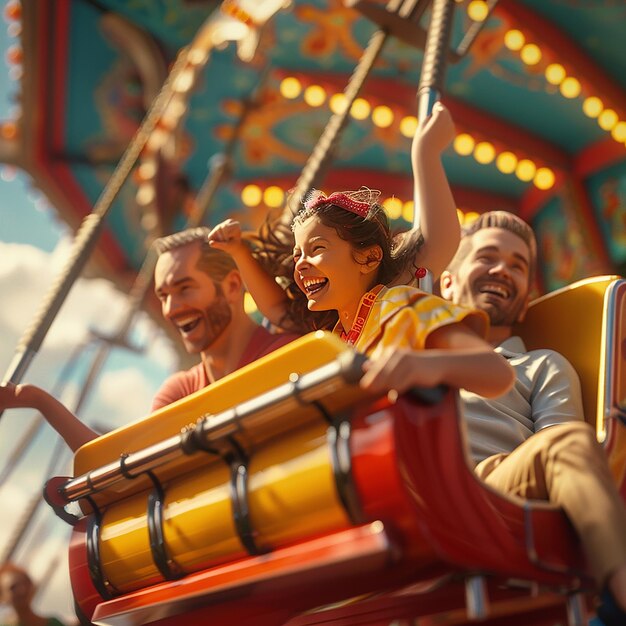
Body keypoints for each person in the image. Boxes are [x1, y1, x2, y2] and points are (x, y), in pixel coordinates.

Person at [438, 211, 626, 625]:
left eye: (518, 265)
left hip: (489, 485)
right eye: (487, 257)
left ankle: (618, 594)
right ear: (447, 282)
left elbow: (563, 456)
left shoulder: (541, 366)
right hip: (410, 482)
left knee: (569, 442)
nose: (502, 269)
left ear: (525, 301)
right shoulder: (411, 351)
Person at [0, 228, 298, 451]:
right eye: (163, 296)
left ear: (233, 286)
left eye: (184, 289)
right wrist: (37, 400)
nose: (171, 309)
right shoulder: (181, 390)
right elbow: (123, 460)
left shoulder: (285, 355)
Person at [208, 102, 461, 334]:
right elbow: (279, 310)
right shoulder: (331, 331)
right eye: (298, 255)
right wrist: (239, 251)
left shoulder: (392, 297)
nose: (300, 264)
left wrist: (425, 153)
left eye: (317, 248)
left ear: (368, 257)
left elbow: (438, 239)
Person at [0, 563, 67, 626]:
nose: (22, 590)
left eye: (25, 583)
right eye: (13, 587)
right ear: (2, 598)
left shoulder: (54, 623)